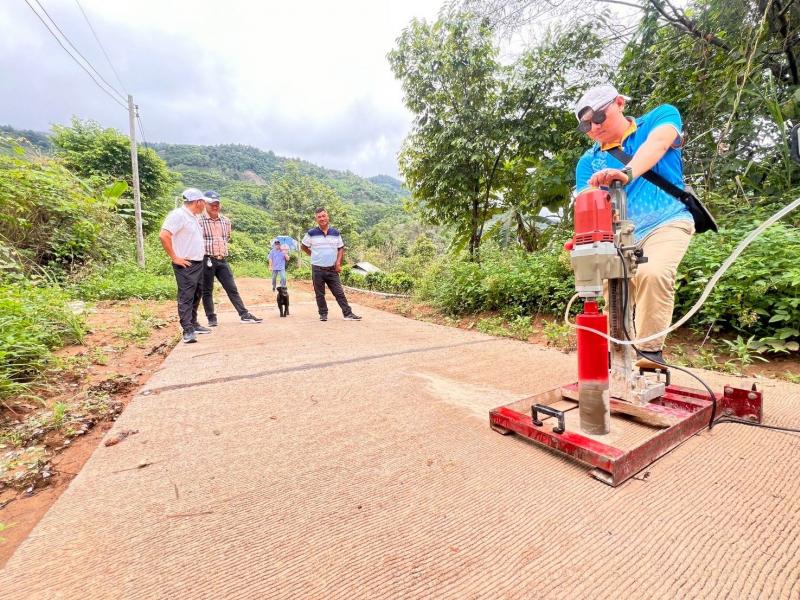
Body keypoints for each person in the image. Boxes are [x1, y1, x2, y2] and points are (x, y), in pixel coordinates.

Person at [574, 83, 694, 364]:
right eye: (586, 125)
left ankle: (649, 353)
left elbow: (658, 143)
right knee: (614, 290)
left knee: (653, 274)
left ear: (619, 103)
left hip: (666, 220)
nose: (595, 127)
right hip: (618, 234)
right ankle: (617, 355)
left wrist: (626, 173)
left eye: (599, 117)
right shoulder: (588, 162)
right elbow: (588, 204)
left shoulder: (658, 118)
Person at [198, 190, 263, 326]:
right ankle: (211, 318)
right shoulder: (199, 220)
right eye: (212, 204)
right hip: (206, 259)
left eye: (217, 204)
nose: (215, 206)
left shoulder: (226, 221)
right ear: (205, 204)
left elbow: (226, 238)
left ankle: (244, 314)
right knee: (207, 290)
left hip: (222, 259)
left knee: (231, 288)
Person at [159, 188, 213, 343]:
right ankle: (187, 330)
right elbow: (164, 235)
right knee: (186, 296)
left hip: (198, 262)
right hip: (186, 264)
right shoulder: (178, 215)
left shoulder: (194, 217)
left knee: (197, 293)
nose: (205, 206)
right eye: (204, 202)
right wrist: (175, 257)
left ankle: (193, 323)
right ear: (198, 202)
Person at [301, 208, 362, 322]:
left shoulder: (335, 233)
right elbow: (303, 246)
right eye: (319, 217)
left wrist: (338, 262)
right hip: (317, 268)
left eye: (323, 216)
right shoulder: (311, 233)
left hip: (332, 269)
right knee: (320, 294)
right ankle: (323, 314)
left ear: (327, 217)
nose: (322, 219)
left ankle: (348, 314)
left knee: (339, 292)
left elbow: (340, 248)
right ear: (316, 219)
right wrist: (312, 254)